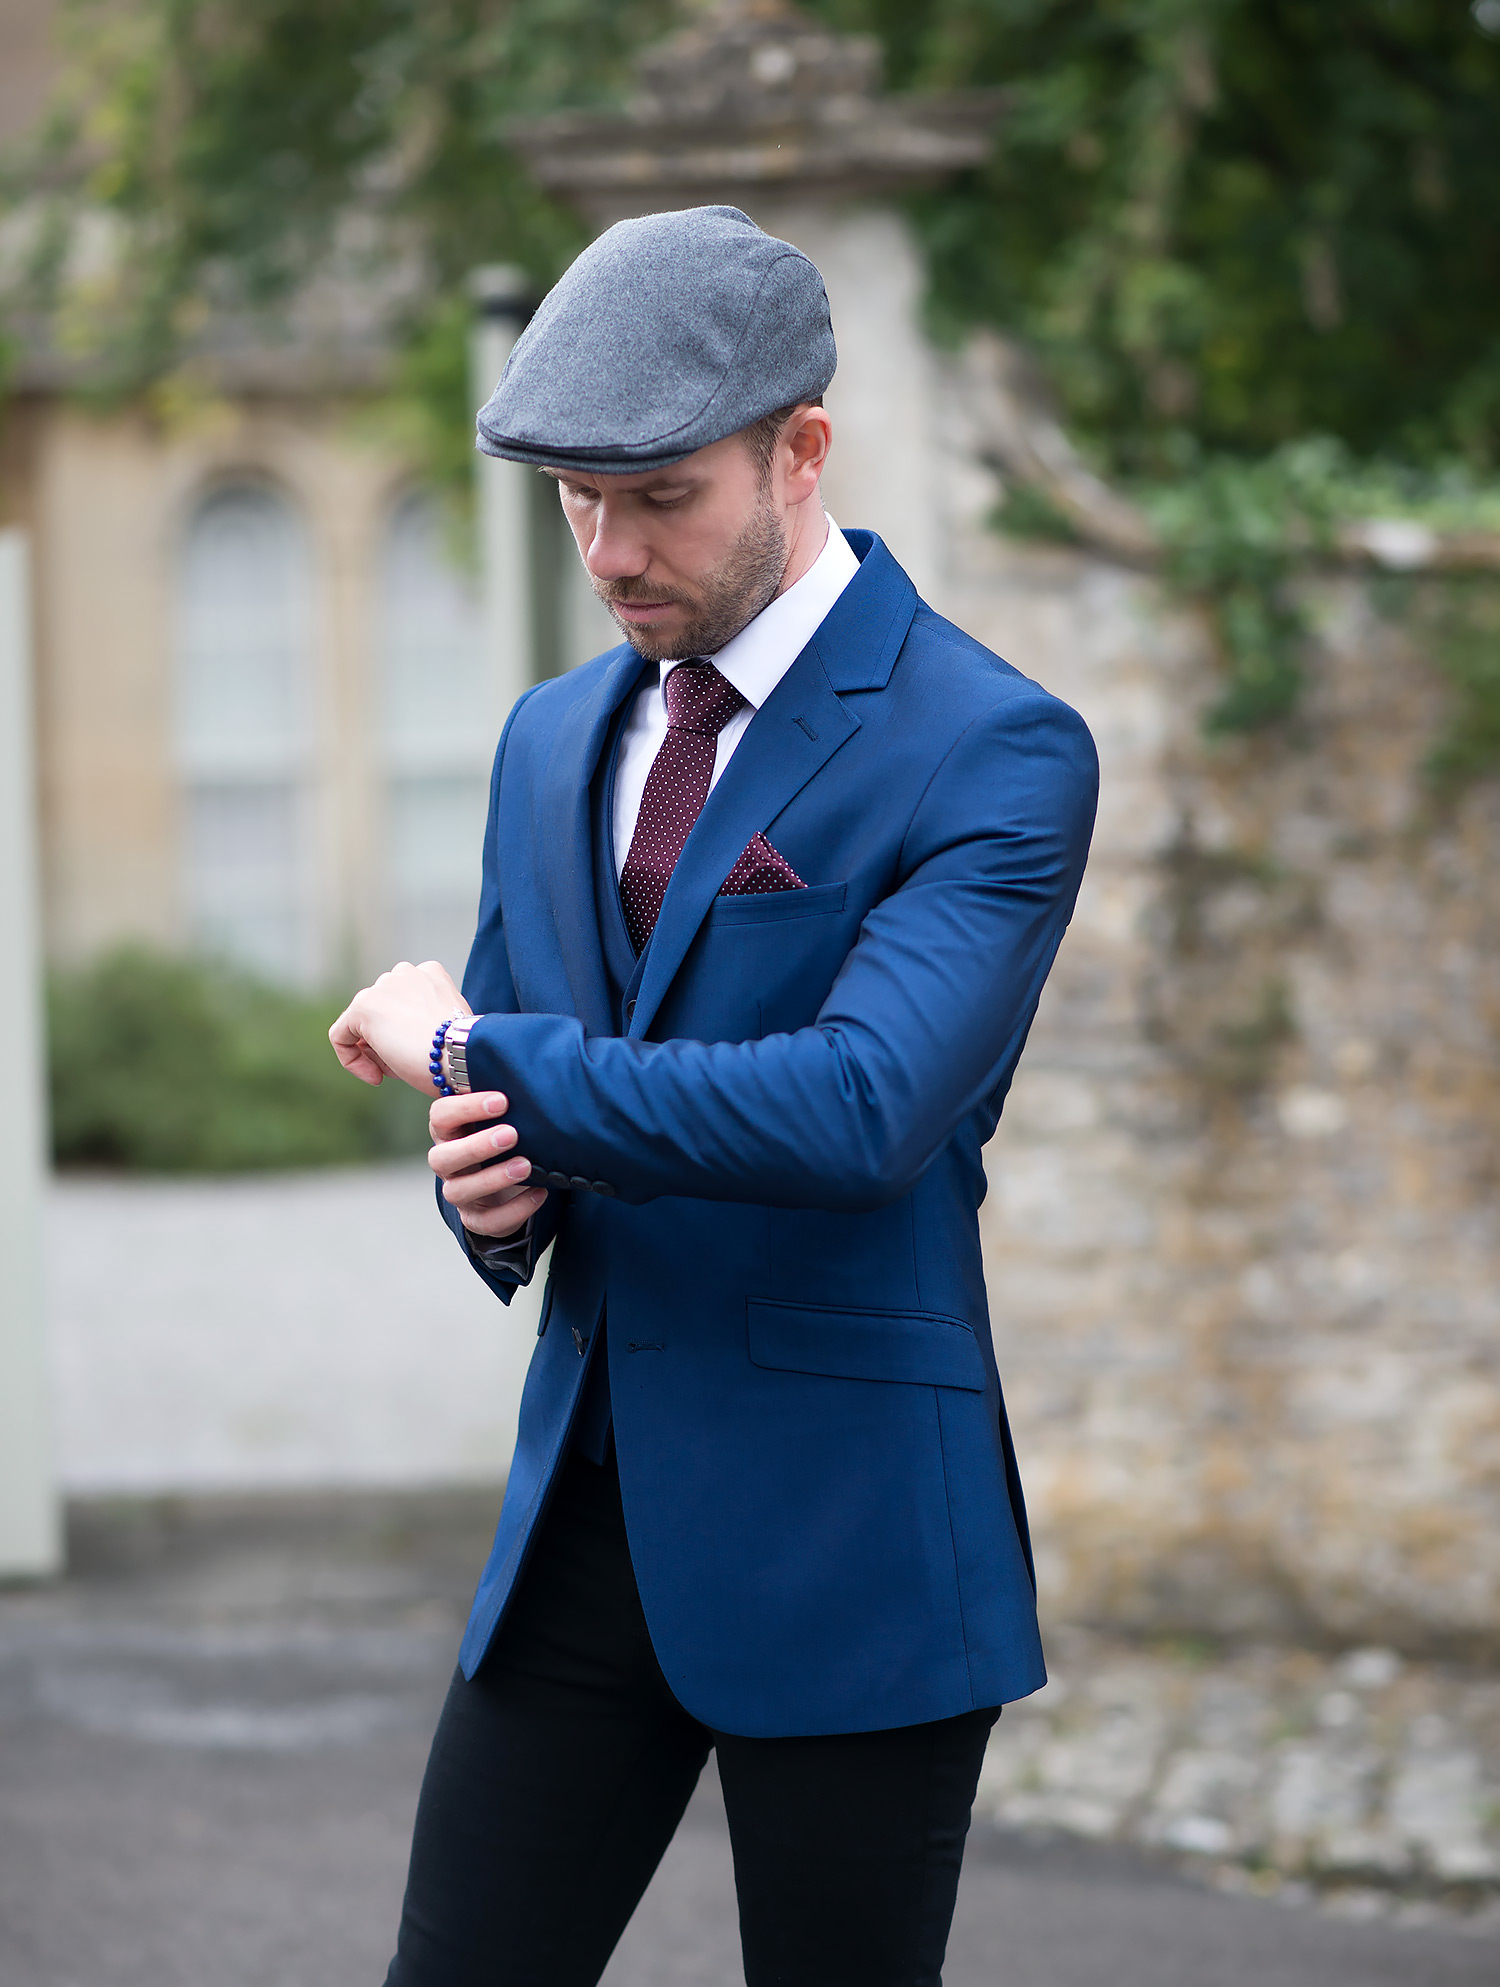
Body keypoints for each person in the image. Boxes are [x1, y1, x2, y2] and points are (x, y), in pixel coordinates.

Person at [331, 205, 1098, 1987]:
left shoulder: (992, 744)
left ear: (800, 451)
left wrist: (474, 1059)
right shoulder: (550, 736)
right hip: (579, 1525)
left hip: (851, 1538)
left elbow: (860, 1107)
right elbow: (525, 1085)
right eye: (574, 498)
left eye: (660, 496)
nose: (610, 549)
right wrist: (485, 1188)